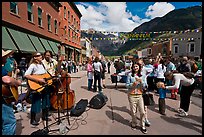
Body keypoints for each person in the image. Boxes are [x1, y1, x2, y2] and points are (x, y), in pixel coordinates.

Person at [24, 52, 53, 126]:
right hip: (37, 86)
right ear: (35, 57)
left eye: (41, 55)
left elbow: (45, 75)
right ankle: (33, 119)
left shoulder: (42, 65)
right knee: (36, 102)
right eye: (38, 55)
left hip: (44, 86)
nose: (40, 56)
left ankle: (44, 116)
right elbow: (26, 75)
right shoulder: (33, 65)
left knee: (45, 100)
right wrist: (38, 80)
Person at [2, 49, 22, 135]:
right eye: (5, 56)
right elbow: (7, 80)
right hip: (3, 100)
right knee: (9, 122)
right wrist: (17, 83)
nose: (6, 58)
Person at [126, 62, 147, 134]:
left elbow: (145, 86)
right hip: (131, 95)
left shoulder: (142, 75)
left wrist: (142, 82)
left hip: (140, 95)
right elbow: (127, 85)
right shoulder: (130, 75)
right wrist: (132, 84)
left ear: (139, 67)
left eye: (137, 66)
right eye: (134, 67)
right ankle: (134, 123)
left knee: (142, 112)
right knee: (133, 111)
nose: (135, 68)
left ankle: (143, 125)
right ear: (132, 67)